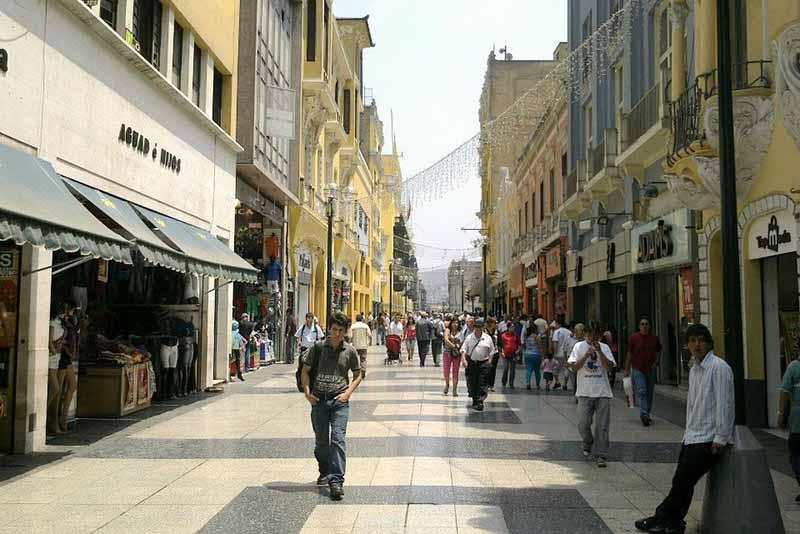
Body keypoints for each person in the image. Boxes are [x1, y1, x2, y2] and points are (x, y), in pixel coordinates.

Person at [634, 323, 734, 534]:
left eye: (701, 340)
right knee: (682, 481)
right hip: (693, 435)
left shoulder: (719, 367)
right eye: (692, 341)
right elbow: (693, 404)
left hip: (708, 437)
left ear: (708, 343)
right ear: (687, 345)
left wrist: (720, 437)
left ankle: (663, 518)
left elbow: (725, 403)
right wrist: (687, 433)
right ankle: (673, 521)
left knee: (683, 480)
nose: (697, 345)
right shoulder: (695, 368)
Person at [301, 312, 362, 501]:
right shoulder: (318, 348)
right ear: (329, 329)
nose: (336, 334)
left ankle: (336, 481)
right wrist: (307, 392)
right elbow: (305, 371)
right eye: (334, 329)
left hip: (339, 403)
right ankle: (324, 469)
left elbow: (358, 374)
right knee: (321, 442)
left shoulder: (349, 351)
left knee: (337, 438)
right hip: (319, 401)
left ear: (345, 332)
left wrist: (347, 394)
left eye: (340, 331)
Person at [568, 323, 616, 468]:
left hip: (602, 392)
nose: (591, 338)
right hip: (584, 392)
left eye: (595, 335)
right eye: (589, 335)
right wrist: (585, 355)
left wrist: (600, 352)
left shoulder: (605, 348)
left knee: (602, 426)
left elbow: (610, 367)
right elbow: (574, 367)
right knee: (583, 424)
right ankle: (588, 441)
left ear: (599, 336)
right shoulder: (578, 347)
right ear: (584, 335)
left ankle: (601, 454)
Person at [625, 317, 662, 427]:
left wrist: (657, 362)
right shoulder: (633, 338)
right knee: (642, 390)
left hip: (650, 369)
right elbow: (629, 354)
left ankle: (647, 413)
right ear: (639, 326)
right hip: (637, 369)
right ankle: (644, 414)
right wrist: (626, 369)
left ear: (649, 326)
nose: (644, 326)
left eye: (646, 324)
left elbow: (659, 350)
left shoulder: (654, 338)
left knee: (649, 392)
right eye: (642, 324)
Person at [460, 318, 496, 411]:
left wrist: (489, 362)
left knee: (482, 382)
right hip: (473, 363)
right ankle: (475, 400)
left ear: (483, 327)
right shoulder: (469, 337)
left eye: (480, 327)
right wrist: (464, 360)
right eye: (476, 327)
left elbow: (492, 351)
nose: (478, 329)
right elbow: (463, 349)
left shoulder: (487, 338)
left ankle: (480, 401)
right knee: (473, 382)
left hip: (484, 363)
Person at [779, 355, 800, 502]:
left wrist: (780, 414)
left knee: (796, 454)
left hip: (798, 420)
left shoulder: (793, 367)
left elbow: (784, 392)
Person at [57, 301, 79, 432]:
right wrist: (66, 347)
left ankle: (63, 418)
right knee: (57, 390)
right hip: (63, 357)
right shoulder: (61, 322)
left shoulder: (70, 321)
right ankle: (58, 419)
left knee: (71, 386)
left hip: (68, 357)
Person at [47, 309, 65, 435]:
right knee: (55, 388)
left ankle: (48, 416)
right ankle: (45, 412)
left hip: (56, 359)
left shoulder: (59, 323)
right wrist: (54, 351)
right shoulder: (52, 323)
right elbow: (49, 342)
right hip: (51, 358)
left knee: (55, 389)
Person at [522, 318, 547, 390]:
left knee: (528, 369)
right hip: (536, 354)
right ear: (535, 329)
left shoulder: (527, 336)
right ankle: (537, 384)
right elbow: (540, 347)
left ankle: (528, 383)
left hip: (528, 354)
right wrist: (543, 357)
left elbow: (524, 344)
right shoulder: (537, 337)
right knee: (537, 370)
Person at [550, 318, 572, 390]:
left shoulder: (556, 332)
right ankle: (565, 384)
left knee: (555, 368)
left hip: (558, 354)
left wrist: (554, 353)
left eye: (556, 324)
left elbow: (555, 343)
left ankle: (557, 381)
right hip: (568, 354)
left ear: (558, 324)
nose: (555, 325)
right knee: (567, 369)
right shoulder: (569, 332)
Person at [443, 317, 462, 396]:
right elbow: (446, 339)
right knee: (446, 371)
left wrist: (459, 345)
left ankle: (454, 389)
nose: (455, 324)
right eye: (454, 322)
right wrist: (454, 345)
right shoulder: (447, 330)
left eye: (457, 323)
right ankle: (447, 385)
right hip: (447, 353)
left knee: (455, 372)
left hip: (456, 354)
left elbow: (462, 341)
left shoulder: (460, 332)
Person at [348, 313, 371, 378]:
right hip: (363, 345)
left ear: (356, 319)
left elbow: (350, 336)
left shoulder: (353, 326)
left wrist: (350, 343)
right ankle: (363, 370)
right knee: (363, 359)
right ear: (362, 319)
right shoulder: (366, 326)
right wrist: (369, 342)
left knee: (355, 359)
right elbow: (370, 335)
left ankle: (356, 372)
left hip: (355, 345)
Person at [499, 323, 520, 388]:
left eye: (513, 327)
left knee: (512, 370)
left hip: (513, 354)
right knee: (506, 368)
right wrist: (502, 352)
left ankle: (511, 383)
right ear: (508, 328)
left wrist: (518, 351)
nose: (513, 328)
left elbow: (519, 345)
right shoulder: (503, 335)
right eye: (511, 327)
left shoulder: (515, 335)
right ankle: (504, 381)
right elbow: (501, 345)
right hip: (505, 354)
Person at [485, 317, 501, 392]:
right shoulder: (485, 332)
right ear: (491, 324)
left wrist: (501, 350)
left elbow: (500, 342)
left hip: (495, 352)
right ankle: (486, 383)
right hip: (486, 353)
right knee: (486, 369)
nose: (496, 324)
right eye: (495, 323)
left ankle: (491, 385)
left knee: (493, 369)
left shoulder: (497, 332)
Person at [602, 324, 620, 388]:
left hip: (608, 351)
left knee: (607, 365)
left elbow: (603, 341)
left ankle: (607, 378)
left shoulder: (605, 333)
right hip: (615, 350)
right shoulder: (615, 334)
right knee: (613, 366)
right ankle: (612, 380)